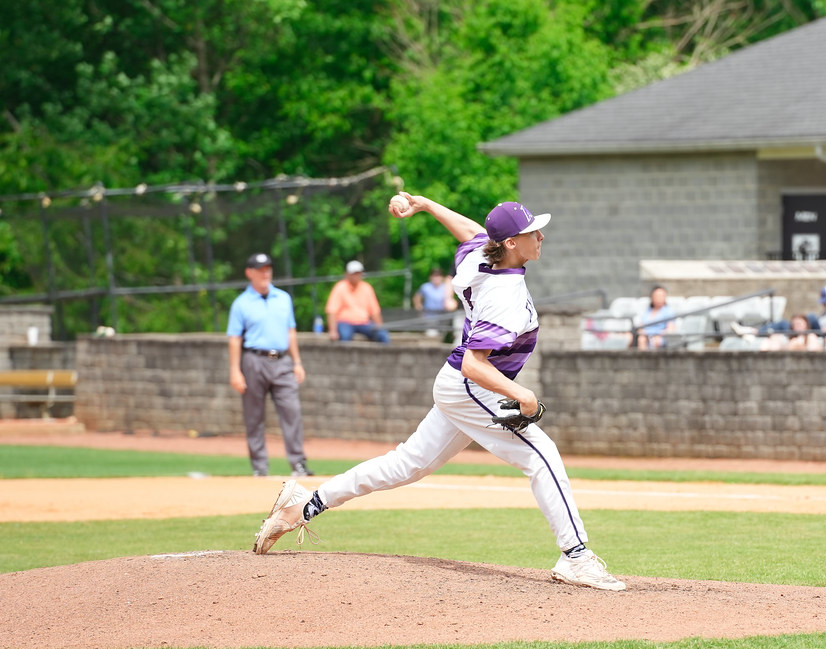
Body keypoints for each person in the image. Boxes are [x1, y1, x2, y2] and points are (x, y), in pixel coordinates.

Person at [253, 193, 626, 591]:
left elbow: (472, 232)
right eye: (533, 231)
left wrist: (428, 205)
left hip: (456, 385)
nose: (542, 236)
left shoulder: (481, 256)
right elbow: (474, 363)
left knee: (406, 465)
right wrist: (524, 395)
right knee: (542, 455)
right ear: (512, 244)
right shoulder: (504, 294)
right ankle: (576, 557)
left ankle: (305, 503)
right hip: (469, 384)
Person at [226, 252, 314, 478]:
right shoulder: (241, 303)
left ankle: (298, 463)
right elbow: (234, 338)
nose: (265, 273)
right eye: (260, 269)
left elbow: (290, 330)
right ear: (249, 273)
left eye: (268, 269)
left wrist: (297, 362)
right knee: (254, 416)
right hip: (254, 359)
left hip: (282, 360)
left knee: (292, 411)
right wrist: (235, 370)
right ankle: (259, 467)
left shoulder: (283, 298)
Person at [325, 260, 391, 343]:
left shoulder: (367, 288)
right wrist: (332, 331)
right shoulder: (340, 287)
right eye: (354, 273)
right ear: (347, 274)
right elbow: (332, 311)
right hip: (345, 322)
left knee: (383, 335)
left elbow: (375, 312)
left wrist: (379, 327)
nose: (356, 276)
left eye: (358, 273)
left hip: (364, 323)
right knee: (345, 336)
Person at [628, 285, 676, 350]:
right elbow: (641, 325)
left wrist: (657, 334)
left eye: (662, 296)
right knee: (638, 338)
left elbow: (670, 329)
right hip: (645, 336)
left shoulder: (668, 311)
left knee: (656, 341)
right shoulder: (648, 311)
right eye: (657, 296)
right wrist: (643, 332)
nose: (659, 298)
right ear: (652, 297)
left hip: (659, 336)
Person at [413, 267, 457, 337]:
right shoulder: (425, 287)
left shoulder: (446, 288)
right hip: (429, 316)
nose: (436, 278)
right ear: (430, 277)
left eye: (438, 276)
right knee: (432, 335)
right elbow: (417, 297)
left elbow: (451, 301)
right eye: (434, 276)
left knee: (444, 335)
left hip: (443, 317)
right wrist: (418, 306)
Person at [758, 313, 822, 351]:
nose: (797, 327)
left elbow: (812, 350)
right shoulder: (790, 338)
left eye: (799, 324)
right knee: (771, 338)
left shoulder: (811, 336)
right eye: (795, 324)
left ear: (806, 324)